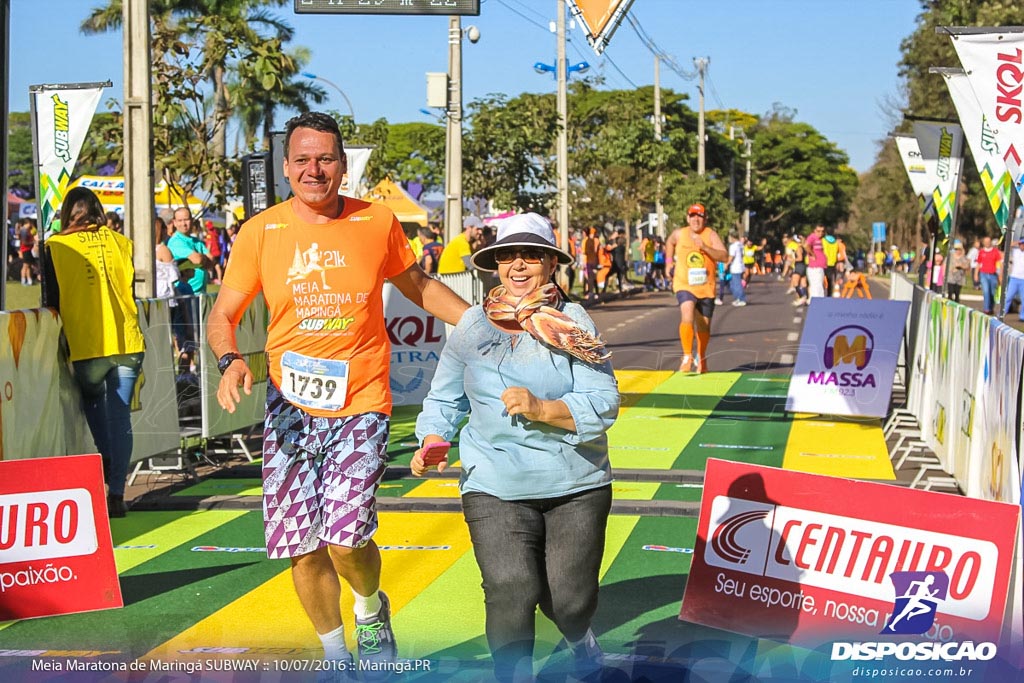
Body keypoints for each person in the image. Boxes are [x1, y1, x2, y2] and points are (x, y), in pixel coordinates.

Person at [207, 112, 469, 669]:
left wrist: (483, 327)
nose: (314, 169)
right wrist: (229, 360)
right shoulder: (260, 232)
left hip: (361, 403)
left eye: (325, 158)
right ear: (285, 168)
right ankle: (335, 654)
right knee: (301, 546)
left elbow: (418, 286)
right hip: (289, 409)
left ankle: (371, 609)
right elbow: (222, 314)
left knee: (347, 538)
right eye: (302, 159)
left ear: (343, 166)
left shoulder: (376, 222)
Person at [411, 213, 618, 682]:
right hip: (493, 480)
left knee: (568, 603)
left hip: (576, 482)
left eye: (531, 255)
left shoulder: (573, 322)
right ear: (494, 265)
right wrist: (432, 440)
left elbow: (604, 402)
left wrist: (543, 408)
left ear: (551, 264)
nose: (518, 265)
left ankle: (578, 636)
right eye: (507, 256)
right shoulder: (471, 326)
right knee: (511, 587)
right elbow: (444, 398)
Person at [43, 187, 145, 518]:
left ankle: (107, 463)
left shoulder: (55, 246)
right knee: (121, 418)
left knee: (94, 404)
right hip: (127, 340)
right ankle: (117, 492)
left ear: (68, 213)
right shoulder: (121, 243)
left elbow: (52, 300)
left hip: (88, 343)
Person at [666, 203, 729, 373]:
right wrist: (668, 262)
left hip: (706, 287)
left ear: (705, 219)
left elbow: (724, 256)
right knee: (687, 312)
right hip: (684, 283)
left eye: (699, 216)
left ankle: (701, 357)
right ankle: (687, 355)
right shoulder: (680, 234)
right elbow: (669, 243)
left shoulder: (710, 235)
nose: (696, 219)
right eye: (692, 216)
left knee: (704, 327)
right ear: (688, 218)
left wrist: (706, 247)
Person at [976, 236, 1002, 315]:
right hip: (983, 274)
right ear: (983, 243)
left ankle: (991, 308)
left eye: (989, 241)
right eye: (986, 241)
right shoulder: (981, 252)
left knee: (992, 293)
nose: (987, 243)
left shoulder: (995, 252)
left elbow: (999, 264)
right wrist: (976, 274)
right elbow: (978, 264)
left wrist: (1000, 275)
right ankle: (986, 309)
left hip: (993, 275)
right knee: (986, 291)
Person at [1001, 237, 1024, 320]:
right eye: (1021, 244)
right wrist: (1017, 242)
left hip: (1023, 280)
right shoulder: (1015, 252)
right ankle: (1002, 313)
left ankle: (1022, 316)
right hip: (1014, 278)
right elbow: (1008, 245)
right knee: (1008, 297)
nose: (1022, 246)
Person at [804, 224, 827, 300]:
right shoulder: (812, 237)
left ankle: (818, 301)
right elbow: (806, 246)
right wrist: (812, 254)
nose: (820, 233)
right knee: (816, 286)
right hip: (815, 267)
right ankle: (817, 302)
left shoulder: (820, 239)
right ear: (814, 230)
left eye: (822, 231)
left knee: (819, 285)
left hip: (820, 266)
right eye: (818, 231)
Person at [727, 231, 747, 306]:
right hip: (740, 266)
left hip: (735, 267)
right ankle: (738, 298)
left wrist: (727, 264)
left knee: (737, 284)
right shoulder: (740, 245)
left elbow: (731, 256)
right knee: (733, 284)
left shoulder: (733, 246)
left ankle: (741, 299)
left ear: (732, 237)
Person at [17, 218, 37, 285]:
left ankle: (29, 280)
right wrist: (33, 242)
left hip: (28, 249)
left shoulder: (27, 230)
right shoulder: (24, 231)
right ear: (27, 223)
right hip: (25, 249)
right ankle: (23, 280)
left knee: (28, 265)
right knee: (25, 265)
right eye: (30, 223)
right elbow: (24, 242)